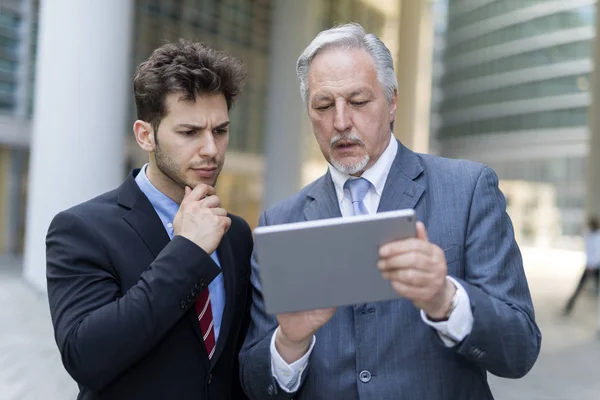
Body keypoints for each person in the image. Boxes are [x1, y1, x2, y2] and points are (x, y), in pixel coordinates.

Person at [239, 23, 541, 400]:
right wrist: (289, 343)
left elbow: (520, 350)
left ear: (393, 100)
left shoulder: (467, 191)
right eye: (323, 105)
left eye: (359, 101)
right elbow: (254, 384)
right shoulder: (279, 222)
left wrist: (446, 300)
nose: (341, 122)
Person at [46, 39, 253, 400]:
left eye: (220, 130)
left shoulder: (235, 234)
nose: (211, 150)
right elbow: (86, 357)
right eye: (189, 132)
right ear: (146, 135)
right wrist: (187, 250)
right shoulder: (81, 230)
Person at [563, 216, 600, 314]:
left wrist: (593, 265)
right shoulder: (589, 234)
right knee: (579, 287)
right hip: (590, 265)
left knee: (580, 287)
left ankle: (569, 306)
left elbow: (597, 252)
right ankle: (569, 307)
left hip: (595, 266)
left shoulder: (597, 236)